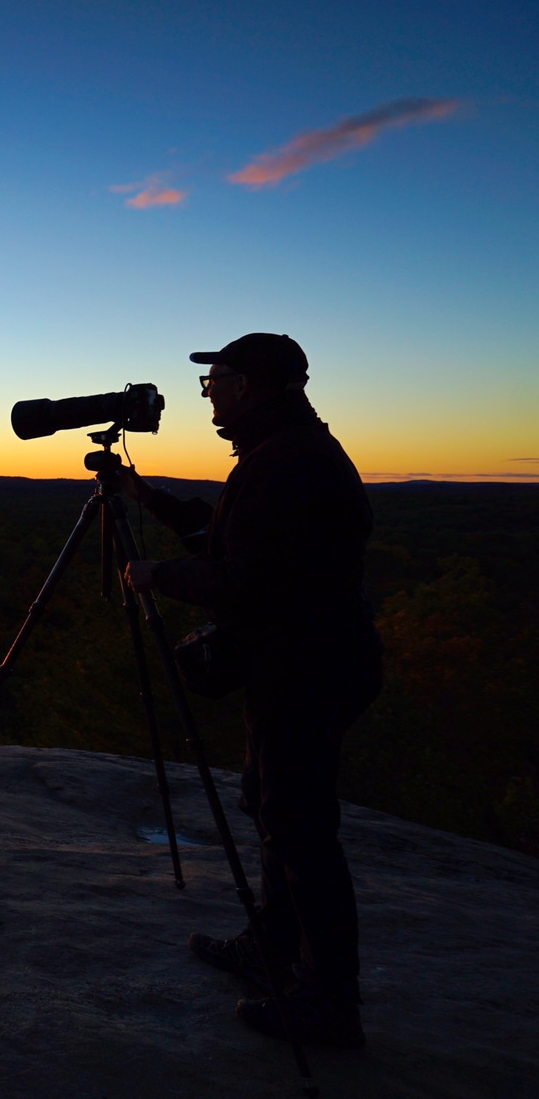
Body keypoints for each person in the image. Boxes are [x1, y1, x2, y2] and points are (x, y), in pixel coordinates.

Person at [121, 332, 382, 1048]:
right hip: (304, 665)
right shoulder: (289, 453)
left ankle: (329, 1008)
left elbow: (245, 581)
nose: (210, 393)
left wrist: (157, 576)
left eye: (218, 381)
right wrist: (144, 496)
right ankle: (271, 951)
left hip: (307, 671)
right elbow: (229, 538)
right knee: (274, 809)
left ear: (252, 385)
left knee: (300, 832)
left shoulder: (286, 466)